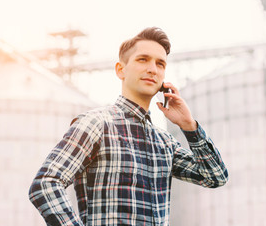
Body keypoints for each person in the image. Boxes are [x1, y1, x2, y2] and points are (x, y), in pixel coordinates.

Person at [29, 27, 228, 226]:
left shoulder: (164, 142)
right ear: (120, 69)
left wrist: (189, 126)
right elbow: (46, 184)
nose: (153, 69)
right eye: (143, 59)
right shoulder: (97, 124)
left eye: (160, 64)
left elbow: (215, 176)